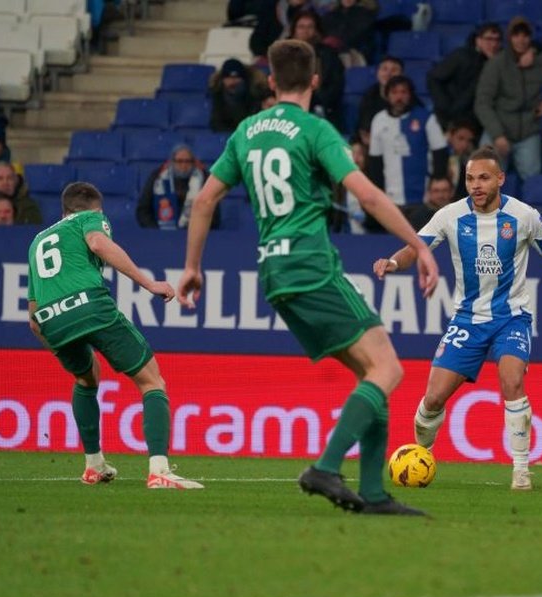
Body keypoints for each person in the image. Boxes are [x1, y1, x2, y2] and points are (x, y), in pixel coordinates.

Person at [177, 39, 439, 516]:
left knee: (372, 372)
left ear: (272, 82)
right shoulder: (316, 131)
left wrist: (192, 268)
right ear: (316, 81)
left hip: (273, 273)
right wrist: (420, 245)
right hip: (312, 265)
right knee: (389, 370)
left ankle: (375, 495)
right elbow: (368, 196)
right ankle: (325, 466)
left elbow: (202, 201)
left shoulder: (247, 131)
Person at [373, 146, 542, 491]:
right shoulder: (449, 216)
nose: (475, 185)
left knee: (511, 382)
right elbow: (416, 248)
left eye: (483, 178)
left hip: (512, 318)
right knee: (433, 399)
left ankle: (521, 470)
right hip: (467, 321)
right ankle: (422, 454)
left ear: (500, 179)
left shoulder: (523, 216)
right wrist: (391, 263)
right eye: (469, 178)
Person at [27, 182, 202, 489]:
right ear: (96, 208)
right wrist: (148, 284)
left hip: (49, 319)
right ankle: (160, 471)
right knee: (152, 381)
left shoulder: (37, 241)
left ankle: (94, 466)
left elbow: (32, 315)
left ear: (62, 209)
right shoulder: (90, 218)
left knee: (86, 377)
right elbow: (97, 243)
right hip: (89, 305)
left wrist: (56, 343)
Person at [474, 16, 542, 181]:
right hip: (499, 126)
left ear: (530, 38)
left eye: (525, 35)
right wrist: (498, 135)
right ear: (509, 37)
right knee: (484, 175)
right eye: (516, 35)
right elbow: (482, 103)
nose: (521, 40)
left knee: (533, 181)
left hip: (529, 130)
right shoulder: (497, 64)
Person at [367, 75, 448, 209]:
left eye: (403, 92)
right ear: (387, 95)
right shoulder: (378, 120)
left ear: (410, 95)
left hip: (423, 198)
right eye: (394, 92)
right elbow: (375, 161)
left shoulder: (426, 118)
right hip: (390, 199)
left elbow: (440, 151)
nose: (399, 97)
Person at [427, 22, 502, 132]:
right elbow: (433, 78)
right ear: (478, 40)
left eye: (497, 40)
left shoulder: (500, 62)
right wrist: (445, 106)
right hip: (448, 119)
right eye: (489, 39)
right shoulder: (461, 56)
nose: (493, 44)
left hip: (477, 123)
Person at [136, 145, 220, 230]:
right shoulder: (157, 177)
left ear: (193, 162)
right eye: (179, 161)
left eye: (188, 161)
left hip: (194, 232)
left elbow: (214, 214)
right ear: (172, 162)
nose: (184, 165)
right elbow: (143, 210)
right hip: (161, 234)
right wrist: (156, 230)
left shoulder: (204, 179)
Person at [288, 10, 346, 132]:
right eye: (301, 27)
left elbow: (335, 84)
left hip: (321, 108)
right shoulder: (284, 54)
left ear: (317, 30)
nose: (305, 31)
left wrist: (317, 100)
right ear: (294, 31)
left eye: (310, 27)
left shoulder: (328, 55)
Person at [208, 58, 268, 133]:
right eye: (228, 78)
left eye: (236, 78)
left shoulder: (256, 94)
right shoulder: (217, 95)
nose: (232, 82)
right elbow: (217, 124)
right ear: (222, 80)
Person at [356, 55, 404, 146]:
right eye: (384, 69)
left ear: (401, 74)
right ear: (378, 73)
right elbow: (362, 127)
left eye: (393, 70)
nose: (388, 74)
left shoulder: (408, 98)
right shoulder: (369, 96)